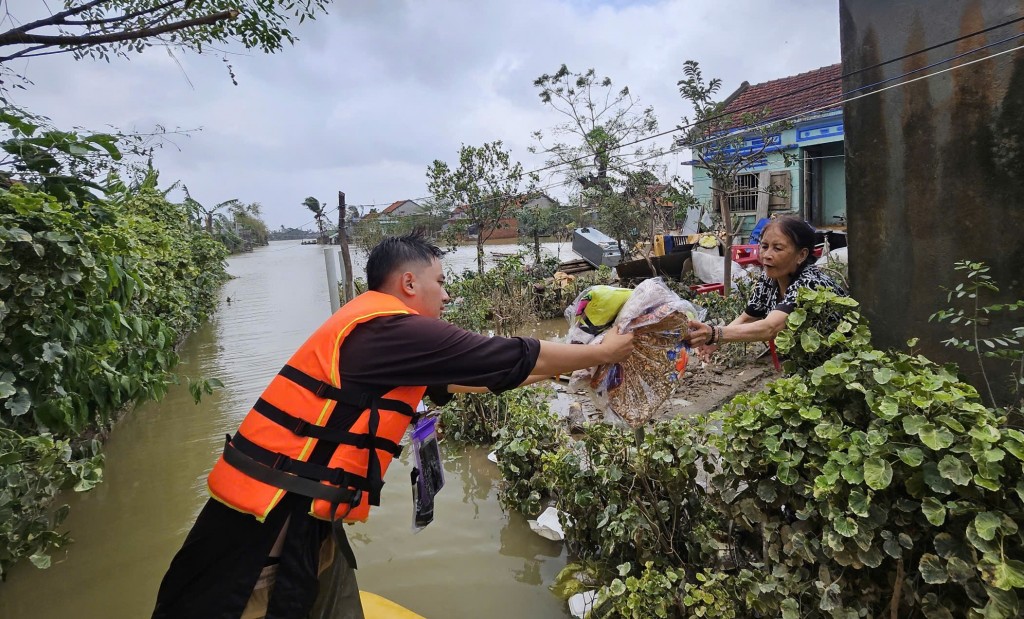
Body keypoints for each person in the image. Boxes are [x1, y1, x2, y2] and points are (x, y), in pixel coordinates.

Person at [150, 231, 634, 619]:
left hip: (312, 521)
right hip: (264, 534)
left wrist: (572, 368)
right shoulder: (391, 328)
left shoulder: (382, 335)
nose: (446, 295)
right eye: (440, 282)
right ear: (408, 284)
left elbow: (482, 378)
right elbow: (503, 353)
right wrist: (601, 352)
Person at [686, 216, 846, 359]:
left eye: (777, 248)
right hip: (810, 359)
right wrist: (715, 342)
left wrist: (713, 333)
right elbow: (748, 317)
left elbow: (770, 328)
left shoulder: (809, 282)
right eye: (764, 246)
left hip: (841, 359)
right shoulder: (769, 278)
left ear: (801, 255)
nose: (767, 255)